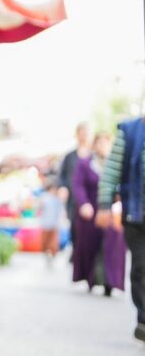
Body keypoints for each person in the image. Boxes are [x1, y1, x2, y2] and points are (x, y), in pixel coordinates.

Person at [96, 117, 145, 343]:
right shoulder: (130, 130)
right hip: (136, 214)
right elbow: (111, 171)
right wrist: (105, 205)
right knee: (141, 267)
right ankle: (144, 319)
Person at [72, 133, 126, 297]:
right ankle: (91, 278)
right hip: (91, 211)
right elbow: (78, 184)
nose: (102, 146)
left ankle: (111, 282)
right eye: (99, 143)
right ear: (94, 145)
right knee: (91, 246)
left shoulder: (116, 164)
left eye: (105, 143)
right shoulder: (85, 163)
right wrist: (83, 204)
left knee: (113, 248)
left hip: (113, 212)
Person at [60, 123, 92, 261]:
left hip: (90, 198)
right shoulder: (69, 156)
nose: (83, 135)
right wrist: (63, 188)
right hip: (73, 199)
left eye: (86, 132)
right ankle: (77, 251)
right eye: (81, 132)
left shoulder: (93, 155)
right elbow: (62, 176)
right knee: (74, 225)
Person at [38, 177, 64, 266]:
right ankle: (46, 254)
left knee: (53, 243)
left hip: (54, 224)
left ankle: (52, 255)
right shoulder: (44, 197)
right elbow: (40, 208)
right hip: (45, 224)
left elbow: (60, 210)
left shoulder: (57, 199)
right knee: (44, 242)